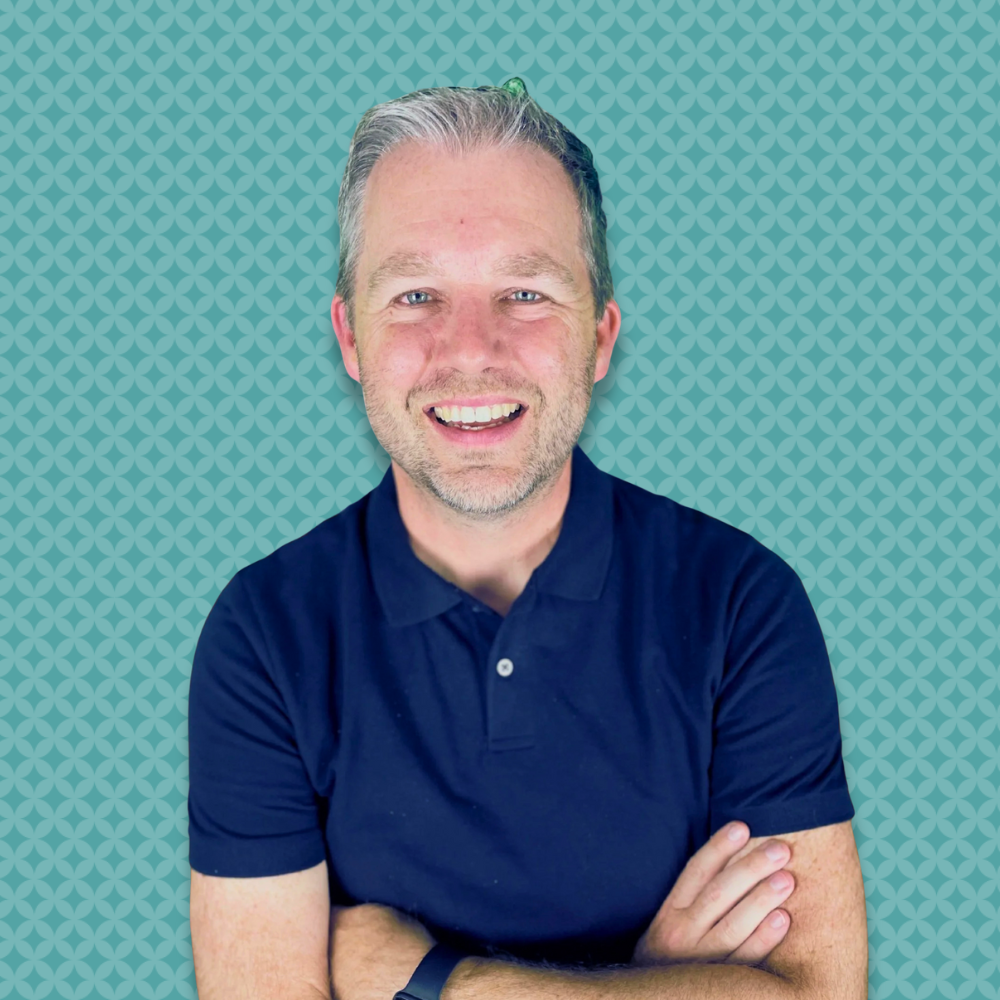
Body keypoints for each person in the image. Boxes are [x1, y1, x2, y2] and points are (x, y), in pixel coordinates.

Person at [187, 81, 867, 1000]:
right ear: (349, 336)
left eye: (525, 291)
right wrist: (654, 981)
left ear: (600, 335)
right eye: (417, 293)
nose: (471, 349)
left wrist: (438, 982)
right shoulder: (265, 633)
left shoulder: (742, 601)